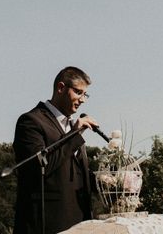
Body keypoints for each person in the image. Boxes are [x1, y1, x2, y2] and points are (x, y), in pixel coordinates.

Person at [12, 66, 99, 234]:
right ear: (60, 88)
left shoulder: (73, 126)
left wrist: (107, 183)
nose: (83, 100)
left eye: (85, 94)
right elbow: (38, 167)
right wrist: (74, 134)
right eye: (78, 92)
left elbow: (77, 171)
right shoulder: (31, 122)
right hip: (47, 224)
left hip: (80, 224)